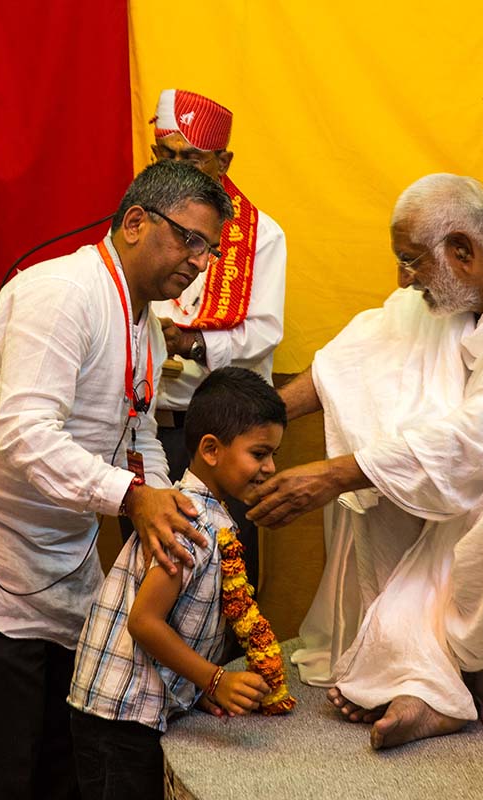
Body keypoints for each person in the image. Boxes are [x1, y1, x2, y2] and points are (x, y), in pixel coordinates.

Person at [0, 161, 234, 800]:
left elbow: (138, 434)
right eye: (190, 239)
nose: (199, 262)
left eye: (210, 250)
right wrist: (133, 499)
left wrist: (172, 508)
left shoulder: (144, 325)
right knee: (5, 771)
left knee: (63, 759)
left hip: (63, 562)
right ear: (136, 222)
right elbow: (26, 434)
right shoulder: (62, 294)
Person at [246, 173, 483, 750]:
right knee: (375, 463)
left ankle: (440, 677)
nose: (402, 279)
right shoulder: (463, 279)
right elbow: (363, 354)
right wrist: (260, 417)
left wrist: (335, 472)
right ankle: (421, 679)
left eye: (411, 262)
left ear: (462, 251)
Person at [68, 367, 283, 800]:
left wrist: (193, 689)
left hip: (136, 708)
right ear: (211, 449)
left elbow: (183, 618)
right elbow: (145, 622)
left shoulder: (208, 517)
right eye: (259, 453)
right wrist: (214, 679)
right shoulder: (187, 524)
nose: (270, 467)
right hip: (120, 714)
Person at [147, 89, 287, 589]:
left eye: (193, 158)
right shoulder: (139, 224)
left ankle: (228, 669)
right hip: (150, 428)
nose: (178, 169)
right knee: (153, 570)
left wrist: (188, 342)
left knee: (227, 573)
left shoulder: (262, 235)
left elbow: (265, 332)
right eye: (166, 155)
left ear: (224, 161)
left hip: (224, 435)